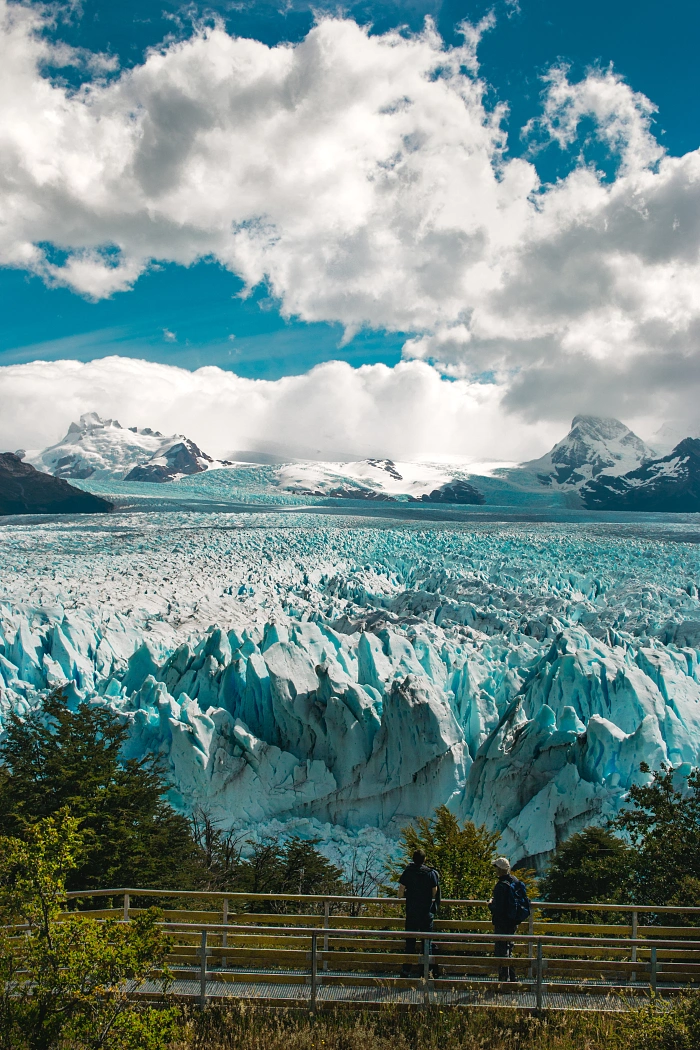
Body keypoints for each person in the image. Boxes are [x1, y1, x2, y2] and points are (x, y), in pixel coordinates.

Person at [398, 849, 439, 977]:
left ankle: (406, 970)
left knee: (410, 942)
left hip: (412, 912)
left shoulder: (408, 872)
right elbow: (434, 891)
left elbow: (400, 891)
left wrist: (404, 896)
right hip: (426, 913)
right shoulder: (430, 873)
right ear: (424, 859)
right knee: (426, 942)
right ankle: (426, 970)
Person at [488, 856, 530, 983]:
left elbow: (498, 909)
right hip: (513, 921)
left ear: (500, 870)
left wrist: (490, 904)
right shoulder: (515, 881)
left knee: (501, 951)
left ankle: (503, 981)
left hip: (502, 923)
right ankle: (512, 979)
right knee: (509, 948)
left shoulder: (501, 886)